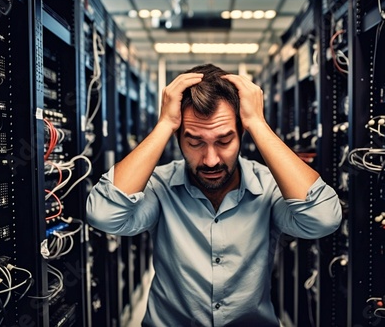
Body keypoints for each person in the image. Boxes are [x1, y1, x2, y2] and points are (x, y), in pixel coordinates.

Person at [86, 63, 342, 326]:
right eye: (195, 142)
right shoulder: (159, 186)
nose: (210, 160)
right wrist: (164, 124)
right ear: (178, 138)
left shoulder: (268, 186)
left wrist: (257, 122)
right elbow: (104, 215)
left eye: (224, 141)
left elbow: (323, 219)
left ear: (242, 133)